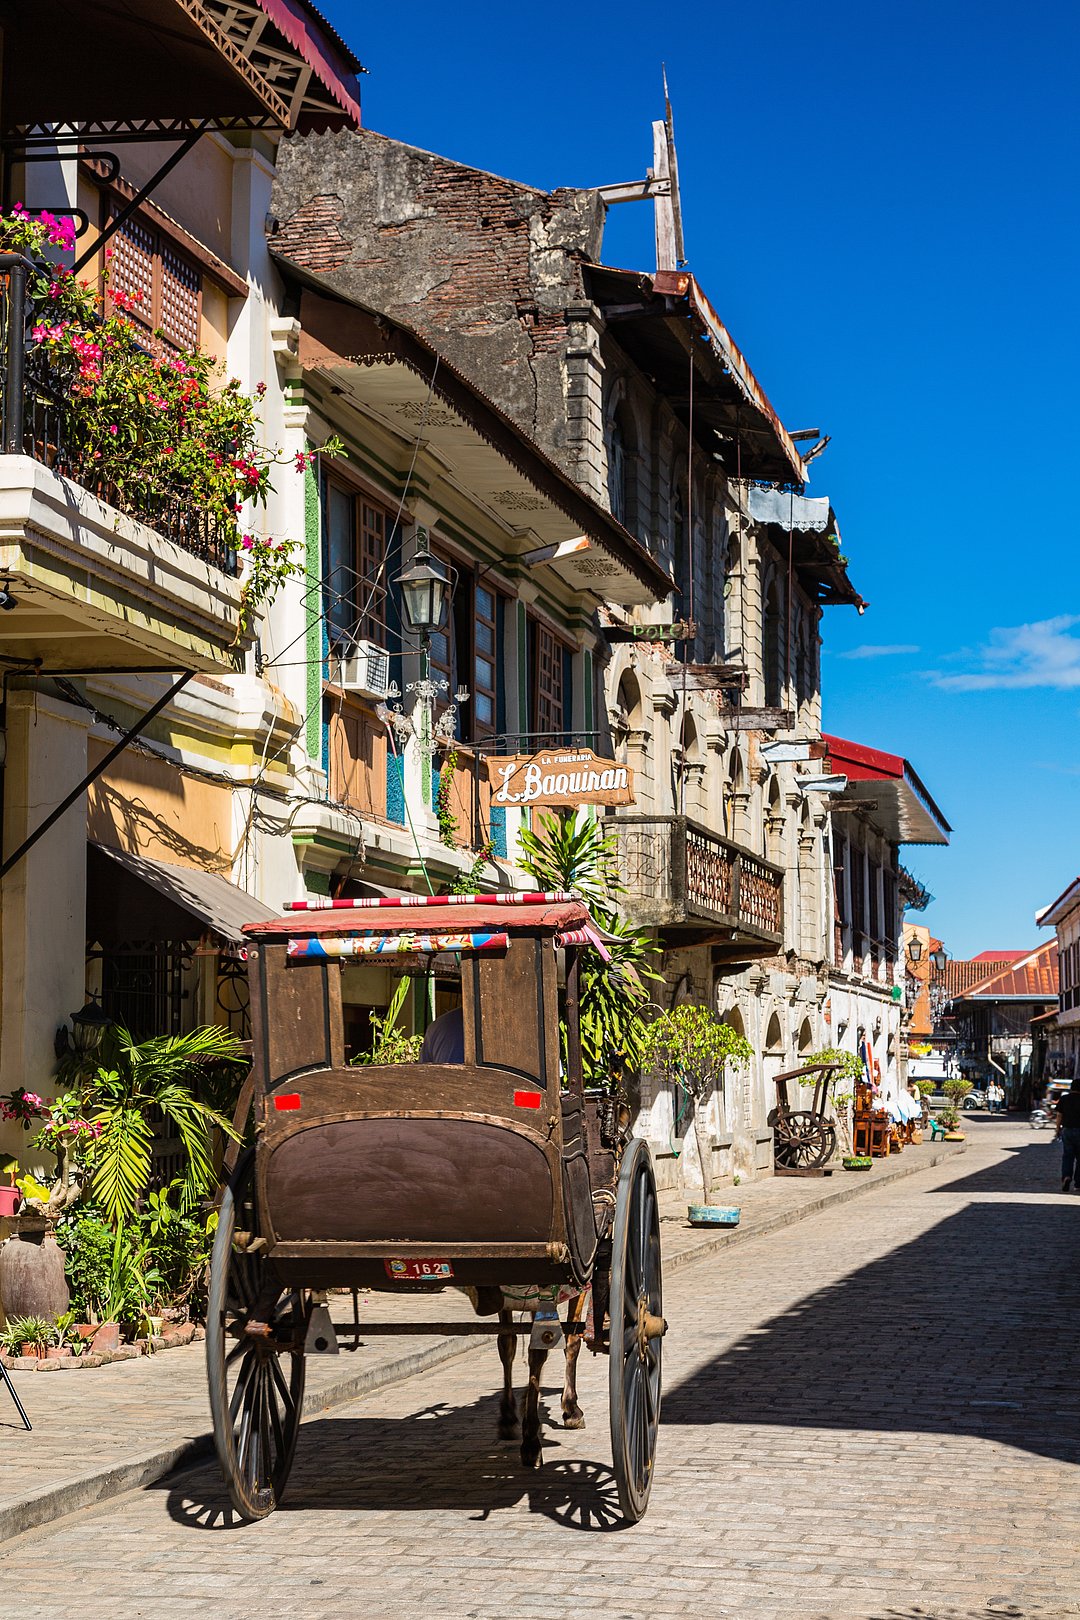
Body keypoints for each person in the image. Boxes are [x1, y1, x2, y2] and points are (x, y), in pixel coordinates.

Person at [1054, 1077, 1080, 1192]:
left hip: (1067, 1130)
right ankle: (1078, 1183)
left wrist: (1057, 1129)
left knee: (1067, 1156)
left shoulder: (1064, 1099)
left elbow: (1059, 1115)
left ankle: (1066, 1176)